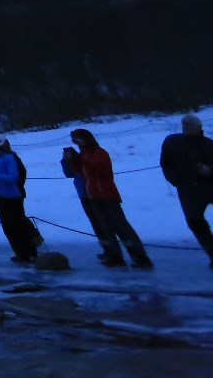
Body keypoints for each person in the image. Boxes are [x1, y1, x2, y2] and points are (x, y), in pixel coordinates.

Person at [71, 128, 151, 269]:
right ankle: (115, 255)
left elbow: (102, 170)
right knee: (105, 227)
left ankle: (139, 255)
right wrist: (73, 160)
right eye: (74, 141)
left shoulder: (99, 153)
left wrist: (83, 161)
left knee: (121, 225)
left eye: (78, 140)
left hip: (107, 194)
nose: (77, 143)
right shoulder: (84, 154)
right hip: (94, 195)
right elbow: (80, 172)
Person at [159, 113, 213, 266]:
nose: (186, 127)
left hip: (209, 187)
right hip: (188, 191)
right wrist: (176, 180)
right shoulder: (172, 142)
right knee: (195, 222)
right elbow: (165, 163)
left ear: (199, 127)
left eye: (189, 124)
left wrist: (209, 171)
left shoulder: (209, 145)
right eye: (184, 124)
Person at [0, 135, 41, 263]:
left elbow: (18, 175)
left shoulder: (9, 157)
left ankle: (30, 249)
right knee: (9, 226)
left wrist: (3, 181)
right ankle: (22, 251)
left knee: (17, 223)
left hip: (13, 195)